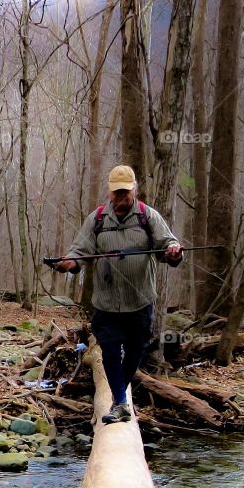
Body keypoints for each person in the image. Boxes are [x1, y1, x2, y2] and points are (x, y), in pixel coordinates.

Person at [56, 165, 183, 423]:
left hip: (140, 302)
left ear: (133, 189)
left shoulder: (148, 217)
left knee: (136, 351)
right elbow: (79, 251)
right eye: (116, 193)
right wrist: (69, 263)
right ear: (110, 192)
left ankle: (118, 397)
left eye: (125, 192)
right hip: (106, 304)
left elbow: (167, 244)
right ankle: (121, 403)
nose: (121, 198)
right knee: (110, 351)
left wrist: (173, 252)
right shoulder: (98, 219)